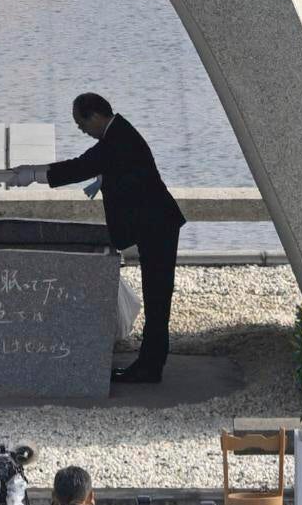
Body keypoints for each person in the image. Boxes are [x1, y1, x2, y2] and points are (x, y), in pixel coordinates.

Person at [15, 91, 185, 386]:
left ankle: (150, 367)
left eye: (81, 124)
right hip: (156, 224)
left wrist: (32, 173)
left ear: (94, 116)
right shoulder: (119, 133)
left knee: (158, 298)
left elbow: (79, 166)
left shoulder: (116, 139)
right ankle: (148, 363)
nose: (82, 130)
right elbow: (110, 168)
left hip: (157, 225)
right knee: (156, 295)